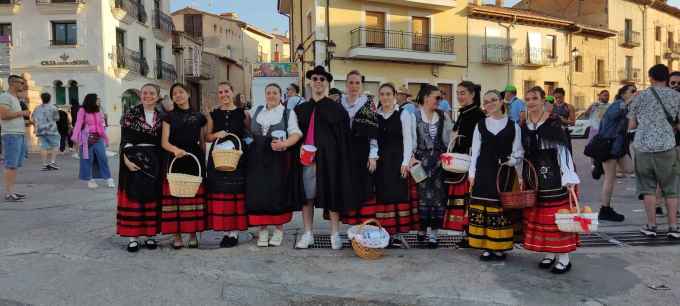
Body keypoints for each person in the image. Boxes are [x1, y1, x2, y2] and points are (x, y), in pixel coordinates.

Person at [293, 66, 354, 250]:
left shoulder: (337, 110)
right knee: (307, 197)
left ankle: (335, 234)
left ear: (327, 83)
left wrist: (340, 160)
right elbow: (294, 134)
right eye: (315, 79)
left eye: (322, 79)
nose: (318, 82)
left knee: (332, 193)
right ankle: (307, 233)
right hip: (306, 160)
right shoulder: (301, 109)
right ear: (310, 83)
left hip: (330, 160)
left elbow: (343, 139)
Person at [522, 86, 580, 274]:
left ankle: (564, 257)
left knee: (558, 218)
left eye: (534, 98)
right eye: (528, 99)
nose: (531, 102)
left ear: (542, 101)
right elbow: (522, 151)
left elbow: (563, 151)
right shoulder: (525, 124)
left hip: (555, 175)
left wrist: (568, 175)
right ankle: (549, 253)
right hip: (534, 176)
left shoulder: (553, 122)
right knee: (541, 217)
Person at [468, 90, 523, 261]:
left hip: (504, 172)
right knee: (484, 208)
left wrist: (512, 161)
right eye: (486, 101)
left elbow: (519, 152)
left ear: (501, 102)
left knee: (501, 209)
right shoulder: (480, 125)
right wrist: (472, 174)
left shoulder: (513, 126)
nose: (489, 104)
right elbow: (475, 151)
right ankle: (487, 246)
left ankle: (500, 247)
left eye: (493, 100)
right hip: (483, 171)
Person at [246, 83, 303, 247]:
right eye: (268, 93)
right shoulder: (256, 111)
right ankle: (262, 230)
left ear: (281, 95)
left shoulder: (287, 113)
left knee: (278, 193)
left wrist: (284, 144)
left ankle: (279, 230)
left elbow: (296, 133)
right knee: (259, 194)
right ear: (265, 95)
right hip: (257, 159)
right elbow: (245, 128)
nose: (271, 95)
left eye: (275, 93)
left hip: (278, 158)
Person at [627, 64, 680, 239]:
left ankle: (651, 225)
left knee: (647, 188)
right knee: (671, 188)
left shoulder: (639, 97)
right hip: (666, 146)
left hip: (643, 147)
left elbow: (632, 124)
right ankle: (673, 227)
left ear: (650, 77)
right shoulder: (676, 96)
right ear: (667, 78)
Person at [117, 84, 164, 252]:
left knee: (151, 197)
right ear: (140, 95)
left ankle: (151, 235)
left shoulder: (162, 116)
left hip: (154, 160)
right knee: (134, 197)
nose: (148, 96)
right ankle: (133, 237)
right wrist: (126, 161)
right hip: (132, 158)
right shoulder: (130, 115)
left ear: (158, 96)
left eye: (152, 93)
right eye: (145, 93)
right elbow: (124, 140)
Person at [161, 83, 207, 249]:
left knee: (193, 198)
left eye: (181, 92)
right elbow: (164, 142)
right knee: (175, 199)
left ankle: (193, 234)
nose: (178, 95)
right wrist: (176, 150)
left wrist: (205, 163)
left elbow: (202, 141)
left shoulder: (199, 116)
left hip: (194, 159)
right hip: (175, 158)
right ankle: (177, 236)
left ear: (188, 94)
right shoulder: (168, 116)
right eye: (175, 93)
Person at [205, 82, 249, 248]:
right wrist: (217, 134)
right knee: (222, 194)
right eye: (220, 92)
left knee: (235, 193)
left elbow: (248, 133)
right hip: (218, 158)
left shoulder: (243, 113)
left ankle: (234, 232)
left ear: (233, 92)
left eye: (226, 91)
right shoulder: (213, 114)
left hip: (237, 158)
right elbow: (207, 137)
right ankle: (226, 232)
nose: (223, 94)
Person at [374, 83, 418, 242]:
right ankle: (383, 232)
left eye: (388, 94)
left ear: (394, 96)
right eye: (382, 94)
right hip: (381, 161)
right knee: (382, 195)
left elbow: (408, 140)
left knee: (397, 195)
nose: (385, 97)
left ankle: (397, 234)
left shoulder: (403, 114)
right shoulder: (375, 115)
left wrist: (405, 162)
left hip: (398, 160)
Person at [442, 82, 484, 241]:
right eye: (458, 93)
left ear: (472, 94)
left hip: (469, 162)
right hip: (460, 161)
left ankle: (471, 234)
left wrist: (458, 139)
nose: (459, 96)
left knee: (468, 198)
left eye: (463, 93)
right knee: (463, 198)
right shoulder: (464, 112)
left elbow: (474, 140)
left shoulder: (477, 115)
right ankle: (466, 234)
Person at [412, 84, 452, 248]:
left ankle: (434, 235)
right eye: (437, 97)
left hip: (439, 163)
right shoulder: (414, 115)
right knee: (420, 198)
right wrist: (411, 157)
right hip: (420, 162)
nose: (439, 101)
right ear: (426, 97)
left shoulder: (444, 116)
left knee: (438, 198)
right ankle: (421, 230)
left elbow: (449, 140)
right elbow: (410, 139)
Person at [340, 70, 380, 225]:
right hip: (343, 152)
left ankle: (362, 227)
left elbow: (373, 131)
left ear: (362, 85)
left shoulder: (369, 104)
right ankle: (351, 228)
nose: (354, 86)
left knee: (363, 188)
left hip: (362, 152)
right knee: (347, 187)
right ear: (346, 84)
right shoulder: (338, 102)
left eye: (357, 83)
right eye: (351, 82)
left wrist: (373, 155)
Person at [596, 85, 636, 223]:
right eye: (632, 91)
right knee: (610, 178)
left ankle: (599, 166)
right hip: (609, 146)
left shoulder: (626, 107)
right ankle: (605, 209)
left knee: (630, 169)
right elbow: (612, 116)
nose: (635, 93)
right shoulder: (618, 105)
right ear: (623, 93)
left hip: (619, 147)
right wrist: (628, 102)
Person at [71, 94, 114, 189]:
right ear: (92, 100)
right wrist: (75, 137)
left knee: (103, 158)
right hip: (86, 138)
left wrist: (106, 138)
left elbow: (101, 126)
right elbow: (78, 123)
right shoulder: (82, 110)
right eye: (97, 99)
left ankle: (108, 178)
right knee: (87, 159)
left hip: (98, 137)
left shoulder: (98, 111)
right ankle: (90, 179)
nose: (99, 101)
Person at [0, 75, 29, 202]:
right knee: (10, 165)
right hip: (11, 134)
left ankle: (11, 191)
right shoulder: (5, 97)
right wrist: (22, 113)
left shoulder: (14, 98)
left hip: (18, 134)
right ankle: (8, 193)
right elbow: (4, 115)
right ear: (13, 83)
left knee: (15, 165)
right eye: (21, 83)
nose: (23, 85)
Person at [31, 93, 61, 171]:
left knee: (43, 147)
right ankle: (52, 162)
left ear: (42, 99)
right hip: (52, 130)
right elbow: (57, 118)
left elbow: (33, 118)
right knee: (55, 145)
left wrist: (36, 126)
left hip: (40, 130)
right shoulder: (54, 108)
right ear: (50, 98)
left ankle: (44, 164)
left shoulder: (37, 108)